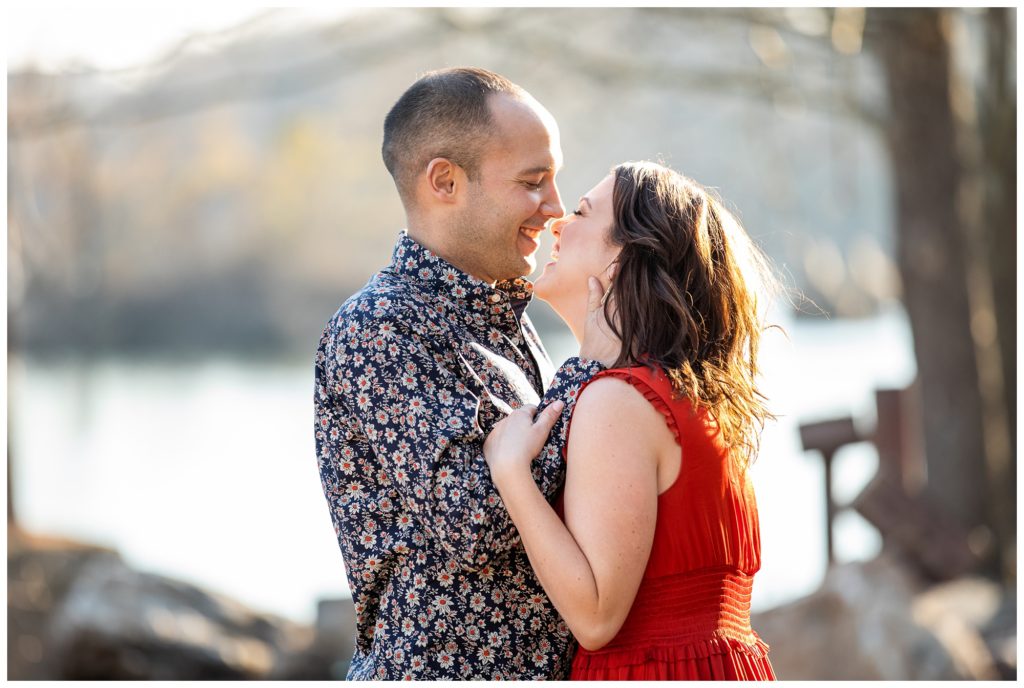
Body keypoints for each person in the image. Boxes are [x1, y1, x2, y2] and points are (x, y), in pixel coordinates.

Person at [312, 68, 610, 680]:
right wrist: (593, 368)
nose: (554, 210)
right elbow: (473, 520)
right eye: (533, 183)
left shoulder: (509, 321)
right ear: (444, 181)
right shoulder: (378, 328)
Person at [484, 161, 779, 680]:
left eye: (580, 212)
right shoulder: (689, 395)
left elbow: (596, 618)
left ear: (622, 258)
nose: (557, 223)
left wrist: (512, 475)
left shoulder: (616, 400)